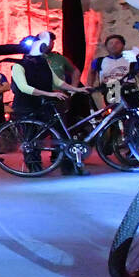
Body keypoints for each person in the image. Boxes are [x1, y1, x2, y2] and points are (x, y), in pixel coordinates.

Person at [10, 31, 88, 173]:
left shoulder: (44, 62)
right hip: (26, 105)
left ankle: (68, 167)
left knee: (61, 133)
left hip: (44, 103)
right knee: (30, 139)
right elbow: (24, 88)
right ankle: (35, 169)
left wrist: (76, 90)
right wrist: (50, 93)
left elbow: (57, 81)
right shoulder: (18, 66)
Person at [89, 33, 139, 109]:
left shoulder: (130, 59)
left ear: (123, 45)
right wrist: (90, 86)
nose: (114, 45)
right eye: (110, 43)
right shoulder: (99, 61)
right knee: (116, 113)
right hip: (110, 90)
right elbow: (91, 72)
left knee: (133, 111)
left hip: (129, 89)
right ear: (106, 47)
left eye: (117, 43)